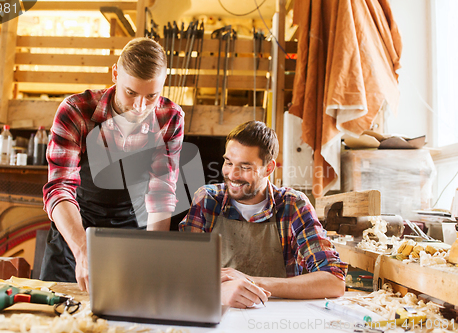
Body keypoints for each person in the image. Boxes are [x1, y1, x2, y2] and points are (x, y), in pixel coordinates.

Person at [40, 37, 184, 291]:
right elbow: (60, 188)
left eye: (151, 96)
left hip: (133, 234)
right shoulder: (76, 111)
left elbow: (161, 194)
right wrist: (83, 251)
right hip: (76, 230)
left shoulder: (170, 118)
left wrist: (153, 255)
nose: (140, 107)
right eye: (131, 93)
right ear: (115, 74)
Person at [179, 121, 347, 308]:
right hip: (220, 314)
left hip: (278, 316)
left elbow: (334, 281)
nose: (232, 175)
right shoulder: (207, 200)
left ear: (269, 168)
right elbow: (183, 272)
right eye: (228, 162)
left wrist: (249, 282)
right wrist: (216, 291)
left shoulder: (293, 205)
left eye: (245, 167)